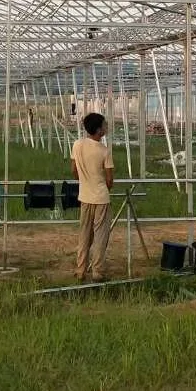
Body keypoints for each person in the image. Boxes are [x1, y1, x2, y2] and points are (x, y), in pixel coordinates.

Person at [70, 111, 115, 282]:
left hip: (85, 196)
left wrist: (84, 182)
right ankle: (98, 271)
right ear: (98, 130)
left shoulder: (77, 145)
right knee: (100, 236)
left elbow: (74, 170)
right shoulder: (104, 151)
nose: (106, 127)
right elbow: (110, 179)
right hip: (101, 198)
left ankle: (80, 269)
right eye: (104, 125)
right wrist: (104, 186)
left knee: (84, 235)